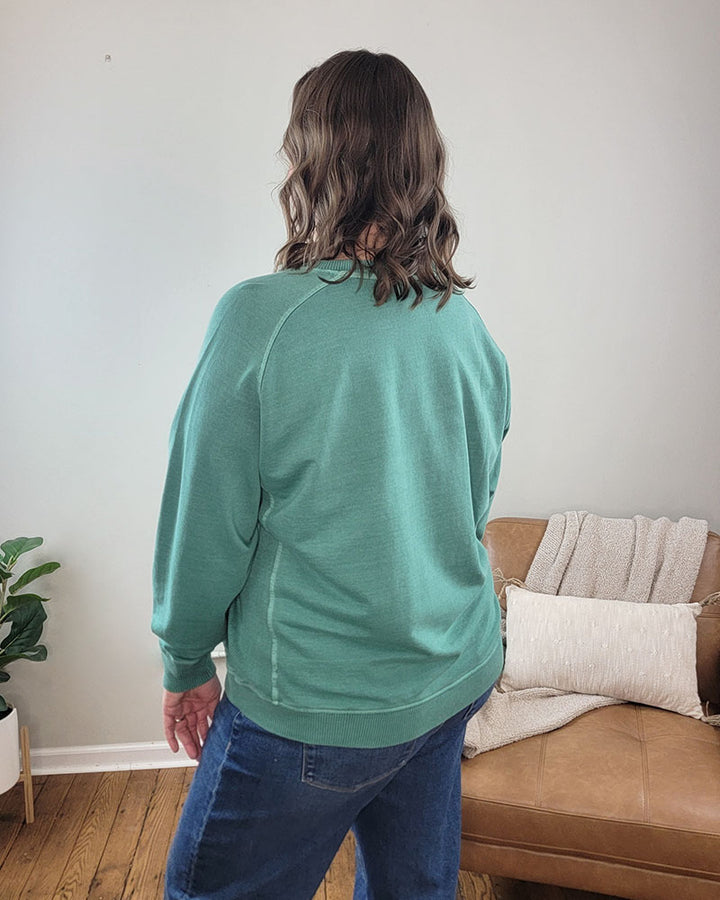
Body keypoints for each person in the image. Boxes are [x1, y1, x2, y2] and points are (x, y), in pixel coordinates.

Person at [152, 48, 511, 900]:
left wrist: (182, 662)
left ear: (313, 162)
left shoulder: (260, 320)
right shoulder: (466, 326)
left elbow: (206, 517)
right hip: (453, 676)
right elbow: (467, 504)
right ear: (423, 166)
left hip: (315, 707)